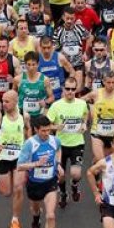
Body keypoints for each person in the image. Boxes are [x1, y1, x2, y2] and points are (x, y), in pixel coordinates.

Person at [17, 114, 62, 228]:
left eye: (48, 130)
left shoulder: (55, 141)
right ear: (36, 130)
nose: (46, 134)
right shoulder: (30, 144)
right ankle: (36, 218)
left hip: (50, 182)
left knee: (50, 215)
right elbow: (20, 166)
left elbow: (58, 150)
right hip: (34, 183)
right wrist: (35, 164)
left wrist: (59, 164)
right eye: (43, 131)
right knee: (35, 209)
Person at [0, 90, 27, 228]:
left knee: (18, 188)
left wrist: (28, 149)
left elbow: (29, 133)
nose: (4, 104)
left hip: (19, 158)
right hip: (3, 157)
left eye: (7, 101)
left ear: (16, 102)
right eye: (2, 101)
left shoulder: (24, 116)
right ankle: (2, 184)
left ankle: (15, 220)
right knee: (6, 192)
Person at [46, 75, 89, 207]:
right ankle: (63, 193)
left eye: (73, 89)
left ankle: (74, 185)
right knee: (61, 175)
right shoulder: (56, 105)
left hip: (77, 143)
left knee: (76, 174)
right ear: (63, 89)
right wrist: (55, 127)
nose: (70, 92)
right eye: (68, 89)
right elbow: (46, 125)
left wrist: (84, 124)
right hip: (60, 145)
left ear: (76, 90)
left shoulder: (82, 104)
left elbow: (85, 115)